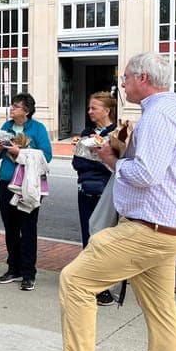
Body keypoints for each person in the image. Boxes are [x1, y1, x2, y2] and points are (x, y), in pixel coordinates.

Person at [28, 52, 176, 351]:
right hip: (169, 229)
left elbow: (146, 174)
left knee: (75, 281)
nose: (121, 85)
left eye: (125, 79)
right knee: (163, 315)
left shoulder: (156, 117)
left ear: (143, 78)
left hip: (145, 230)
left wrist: (111, 159)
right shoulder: (175, 114)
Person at [0, 92, 52, 292]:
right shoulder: (6, 128)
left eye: (16, 106)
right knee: (10, 229)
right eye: (11, 105)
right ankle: (13, 268)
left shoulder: (38, 128)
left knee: (28, 229)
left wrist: (21, 152)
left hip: (28, 185)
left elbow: (47, 156)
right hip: (7, 182)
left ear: (26, 110)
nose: (11, 109)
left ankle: (28, 273)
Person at [72, 90, 118, 305]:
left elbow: (117, 166)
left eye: (94, 108)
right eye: (89, 108)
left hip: (108, 193)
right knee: (88, 236)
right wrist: (94, 158)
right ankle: (89, 281)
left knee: (105, 240)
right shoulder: (86, 132)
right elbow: (78, 164)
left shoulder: (117, 134)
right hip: (85, 190)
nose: (90, 112)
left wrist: (98, 157)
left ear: (107, 110)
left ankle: (105, 287)